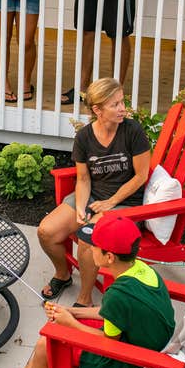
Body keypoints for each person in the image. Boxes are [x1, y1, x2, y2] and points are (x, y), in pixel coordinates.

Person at [0, 215, 175, 368]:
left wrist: (70, 323)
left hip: (132, 361)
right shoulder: (142, 270)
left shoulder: (119, 294)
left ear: (109, 257)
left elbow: (110, 342)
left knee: (49, 344)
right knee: (54, 330)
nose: (90, 248)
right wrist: (71, 312)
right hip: (145, 342)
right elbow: (112, 314)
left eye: (94, 246)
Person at [36, 78, 150, 306]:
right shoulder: (85, 137)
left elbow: (141, 176)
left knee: (88, 239)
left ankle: (85, 298)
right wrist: (80, 207)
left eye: (122, 101)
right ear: (97, 110)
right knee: (46, 231)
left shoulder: (132, 131)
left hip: (125, 203)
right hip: (93, 196)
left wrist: (111, 202)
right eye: (115, 104)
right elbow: (84, 178)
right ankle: (63, 274)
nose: (122, 109)